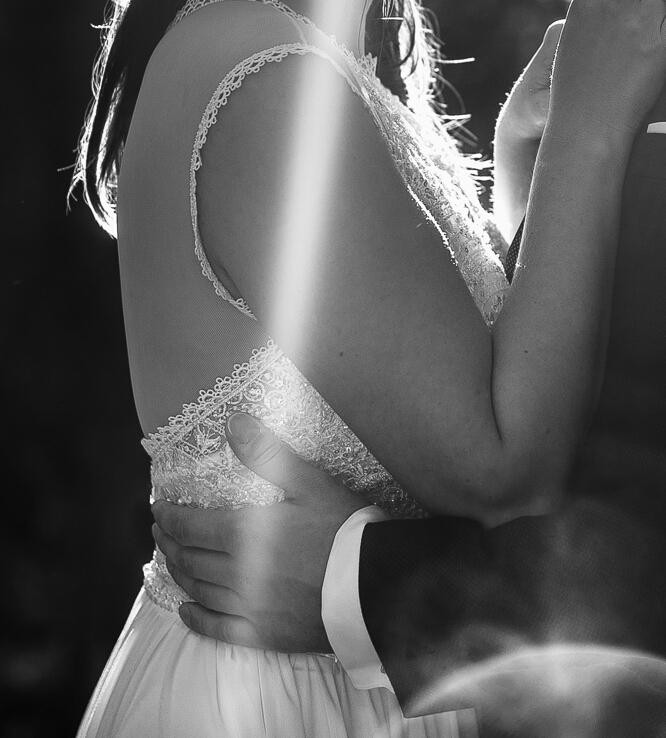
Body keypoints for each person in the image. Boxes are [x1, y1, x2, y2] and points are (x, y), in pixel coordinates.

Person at [71, 0, 666, 735]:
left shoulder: (324, 59)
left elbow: (476, 375)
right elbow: (504, 475)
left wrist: (529, 157)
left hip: (381, 673)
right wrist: (587, 127)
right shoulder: (265, 77)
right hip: (283, 702)